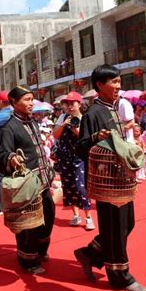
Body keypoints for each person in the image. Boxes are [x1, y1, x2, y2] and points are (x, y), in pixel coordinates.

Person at [74, 64, 146, 291]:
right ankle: (120, 277)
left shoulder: (113, 109)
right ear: (99, 85)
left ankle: (90, 253)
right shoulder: (93, 113)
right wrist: (96, 137)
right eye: (113, 82)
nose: (118, 86)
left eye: (119, 81)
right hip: (105, 181)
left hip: (120, 178)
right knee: (115, 228)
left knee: (127, 224)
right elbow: (81, 148)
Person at [0, 86, 55, 275]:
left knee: (48, 217)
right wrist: (11, 157)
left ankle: (40, 251)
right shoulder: (9, 128)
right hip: (27, 185)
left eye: (32, 99)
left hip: (43, 181)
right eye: (26, 100)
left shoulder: (33, 122)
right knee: (28, 224)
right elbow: (0, 153)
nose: (31, 103)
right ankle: (27, 260)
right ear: (14, 102)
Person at [53, 91, 94, 230]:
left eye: (73, 103)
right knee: (68, 186)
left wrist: (74, 127)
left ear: (79, 104)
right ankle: (76, 215)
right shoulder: (63, 117)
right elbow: (56, 135)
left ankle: (88, 217)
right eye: (67, 104)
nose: (70, 107)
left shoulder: (84, 118)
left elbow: (83, 137)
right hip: (65, 157)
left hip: (79, 157)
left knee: (81, 186)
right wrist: (64, 124)